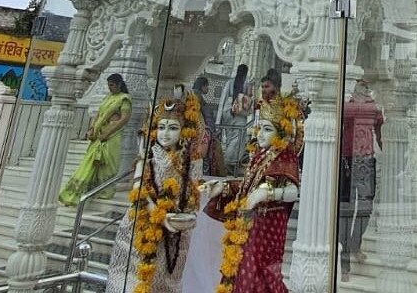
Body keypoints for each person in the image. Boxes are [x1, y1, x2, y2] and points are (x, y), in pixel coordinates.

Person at [204, 93, 303, 293]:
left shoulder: (285, 157)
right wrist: (224, 187)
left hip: (268, 226)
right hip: (249, 223)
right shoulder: (259, 156)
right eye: (260, 128)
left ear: (281, 134)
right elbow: (248, 186)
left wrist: (266, 195)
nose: (260, 134)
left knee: (262, 276)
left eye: (268, 130)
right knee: (241, 272)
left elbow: (293, 192)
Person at [106, 94, 205, 293]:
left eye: (173, 128)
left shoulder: (192, 161)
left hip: (174, 234)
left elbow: (193, 195)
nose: (165, 134)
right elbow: (139, 191)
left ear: (184, 131)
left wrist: (188, 215)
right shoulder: (147, 156)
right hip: (142, 225)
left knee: (165, 281)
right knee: (132, 280)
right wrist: (157, 215)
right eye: (161, 127)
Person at [59, 74, 132, 205]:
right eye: (108, 85)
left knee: (107, 165)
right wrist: (91, 129)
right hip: (98, 136)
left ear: (119, 84)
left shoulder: (124, 99)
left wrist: (107, 133)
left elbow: (124, 119)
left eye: (112, 85)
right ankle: (77, 193)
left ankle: (104, 192)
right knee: (89, 164)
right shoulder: (107, 97)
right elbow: (99, 114)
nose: (110, 88)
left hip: (112, 136)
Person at [339, 79, 383, 280]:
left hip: (367, 159)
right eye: (360, 84)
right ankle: (344, 261)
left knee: (366, 207)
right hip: (347, 159)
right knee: (346, 209)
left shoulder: (373, 107)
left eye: (365, 85)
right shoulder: (347, 106)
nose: (363, 88)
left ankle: (356, 242)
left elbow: (380, 131)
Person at [216, 64, 252, 168]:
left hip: (227, 111)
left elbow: (222, 101)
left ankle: (229, 163)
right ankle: (228, 162)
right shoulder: (247, 83)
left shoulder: (230, 83)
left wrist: (218, 121)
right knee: (237, 138)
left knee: (230, 138)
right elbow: (249, 100)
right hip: (240, 113)